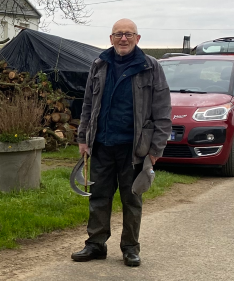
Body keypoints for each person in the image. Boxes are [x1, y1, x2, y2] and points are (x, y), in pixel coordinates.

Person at [73, 19, 171, 267]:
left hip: (134, 149)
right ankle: (96, 244)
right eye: (118, 34)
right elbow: (87, 105)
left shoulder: (150, 67)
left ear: (138, 38)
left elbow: (162, 110)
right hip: (102, 144)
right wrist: (84, 138)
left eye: (128, 34)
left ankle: (130, 247)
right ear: (111, 38)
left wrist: (156, 149)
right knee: (99, 196)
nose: (123, 39)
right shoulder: (99, 64)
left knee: (132, 198)